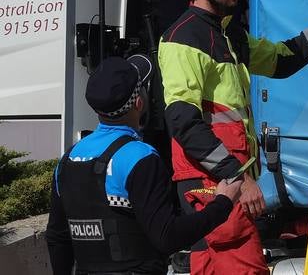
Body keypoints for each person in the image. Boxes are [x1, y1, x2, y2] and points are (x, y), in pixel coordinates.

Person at [158, 0, 308, 275]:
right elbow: (182, 122)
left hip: (220, 183)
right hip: (212, 184)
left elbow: (283, 59)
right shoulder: (184, 39)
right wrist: (239, 178)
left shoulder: (227, 32)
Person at [45, 55, 242, 275]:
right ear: (139, 103)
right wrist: (222, 204)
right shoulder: (139, 157)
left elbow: (57, 237)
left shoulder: (67, 160)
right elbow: (167, 237)